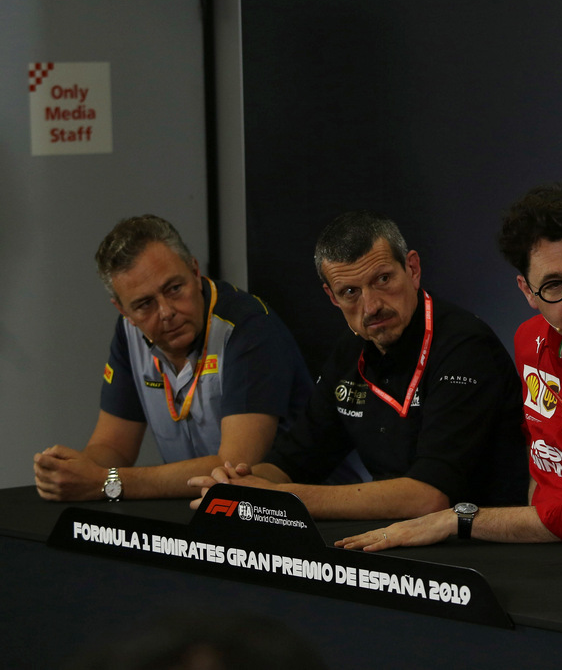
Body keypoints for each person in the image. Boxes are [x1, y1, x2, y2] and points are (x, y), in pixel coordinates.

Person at [338, 180, 562, 550]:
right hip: (534, 543)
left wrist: (459, 519)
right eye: (553, 286)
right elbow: (540, 462)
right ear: (527, 291)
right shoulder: (529, 340)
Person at [190, 211, 527, 520]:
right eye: (350, 291)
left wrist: (278, 497)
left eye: (383, 280)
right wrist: (238, 483)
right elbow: (294, 460)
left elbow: (428, 497)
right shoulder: (350, 353)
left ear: (412, 269)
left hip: (480, 545)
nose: (372, 306)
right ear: (332, 297)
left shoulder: (466, 346)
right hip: (396, 537)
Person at [33, 215, 311, 501]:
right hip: (197, 507)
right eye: (144, 304)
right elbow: (113, 448)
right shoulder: (129, 332)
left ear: (194, 270)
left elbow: (234, 468)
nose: (166, 311)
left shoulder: (249, 327)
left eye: (174, 289)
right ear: (123, 311)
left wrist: (107, 481)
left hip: (298, 510)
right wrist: (73, 470)